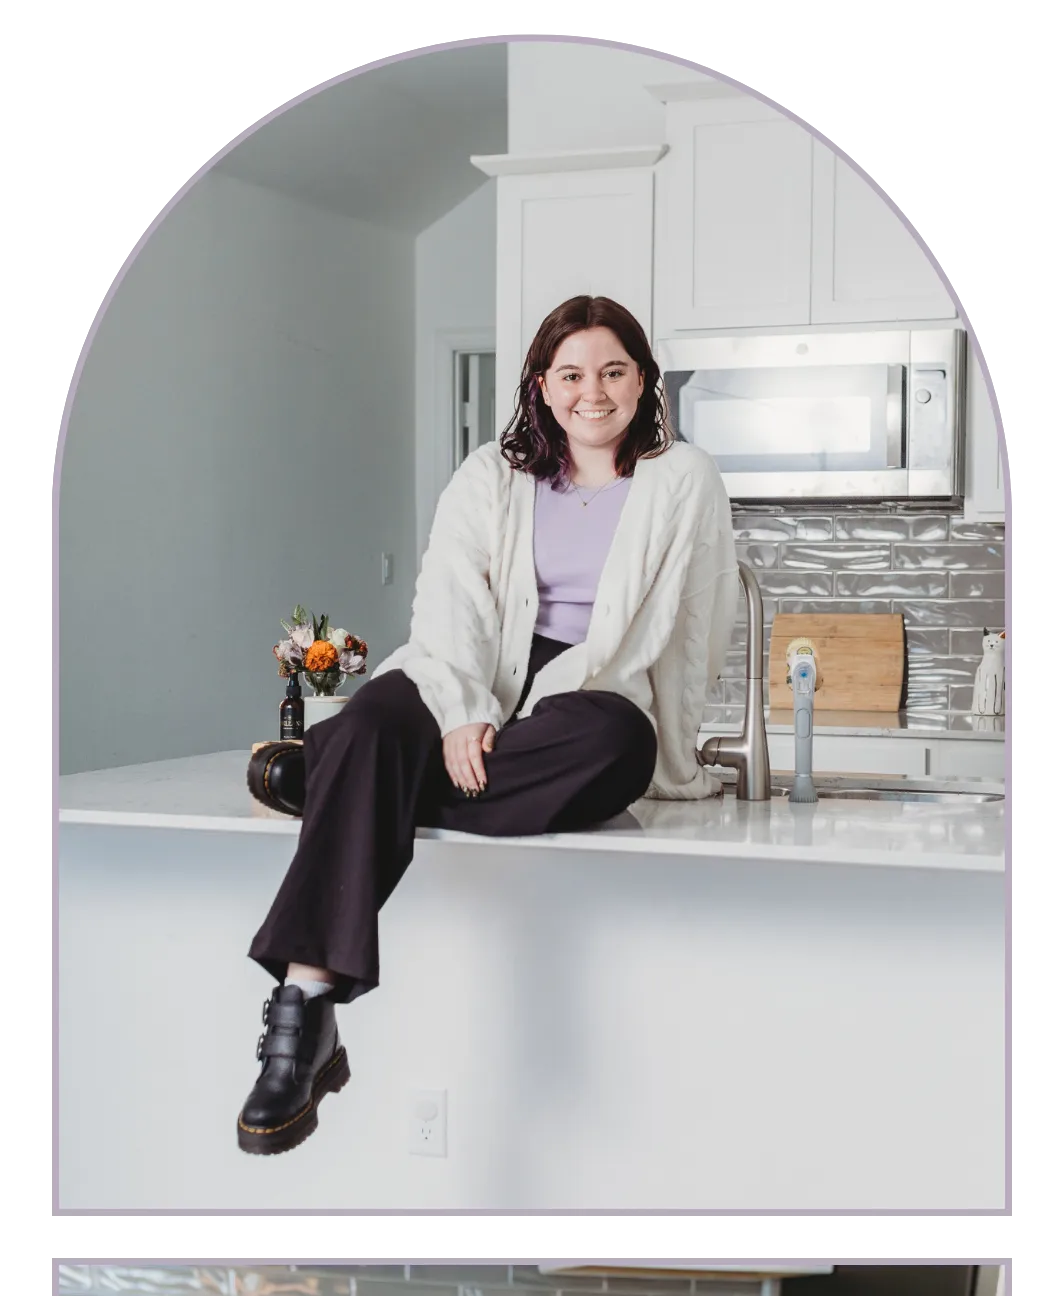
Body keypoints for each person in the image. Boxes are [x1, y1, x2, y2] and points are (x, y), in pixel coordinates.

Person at [238, 293, 738, 1155]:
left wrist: (680, 754)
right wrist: (464, 710)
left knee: (620, 747)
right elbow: (449, 601)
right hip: (464, 667)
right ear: (542, 386)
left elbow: (696, 618)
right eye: (573, 373)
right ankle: (305, 1012)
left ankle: (341, 782)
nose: (594, 391)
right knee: (369, 723)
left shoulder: (683, 478)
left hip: (585, 688)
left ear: (643, 380)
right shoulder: (490, 473)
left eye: (614, 371)